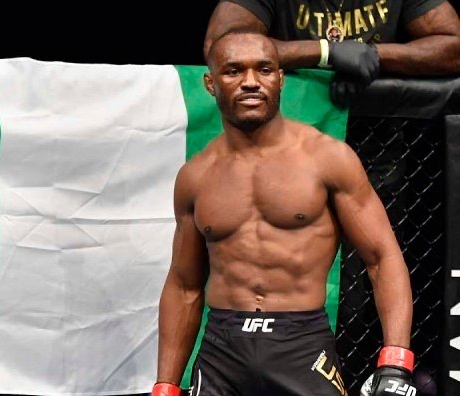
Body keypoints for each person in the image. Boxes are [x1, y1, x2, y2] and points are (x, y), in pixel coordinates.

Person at [151, 29, 414, 396]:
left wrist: (396, 360)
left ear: (280, 78)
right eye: (233, 71)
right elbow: (184, 285)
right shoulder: (196, 176)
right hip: (220, 350)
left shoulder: (327, 158)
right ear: (210, 83)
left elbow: (382, 257)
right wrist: (166, 385)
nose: (250, 82)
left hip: (302, 343)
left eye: (263, 69)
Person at [203, 0, 460, 107]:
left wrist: (372, 57)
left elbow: (454, 47)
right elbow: (221, 45)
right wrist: (327, 52)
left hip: (378, 139)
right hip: (291, 133)